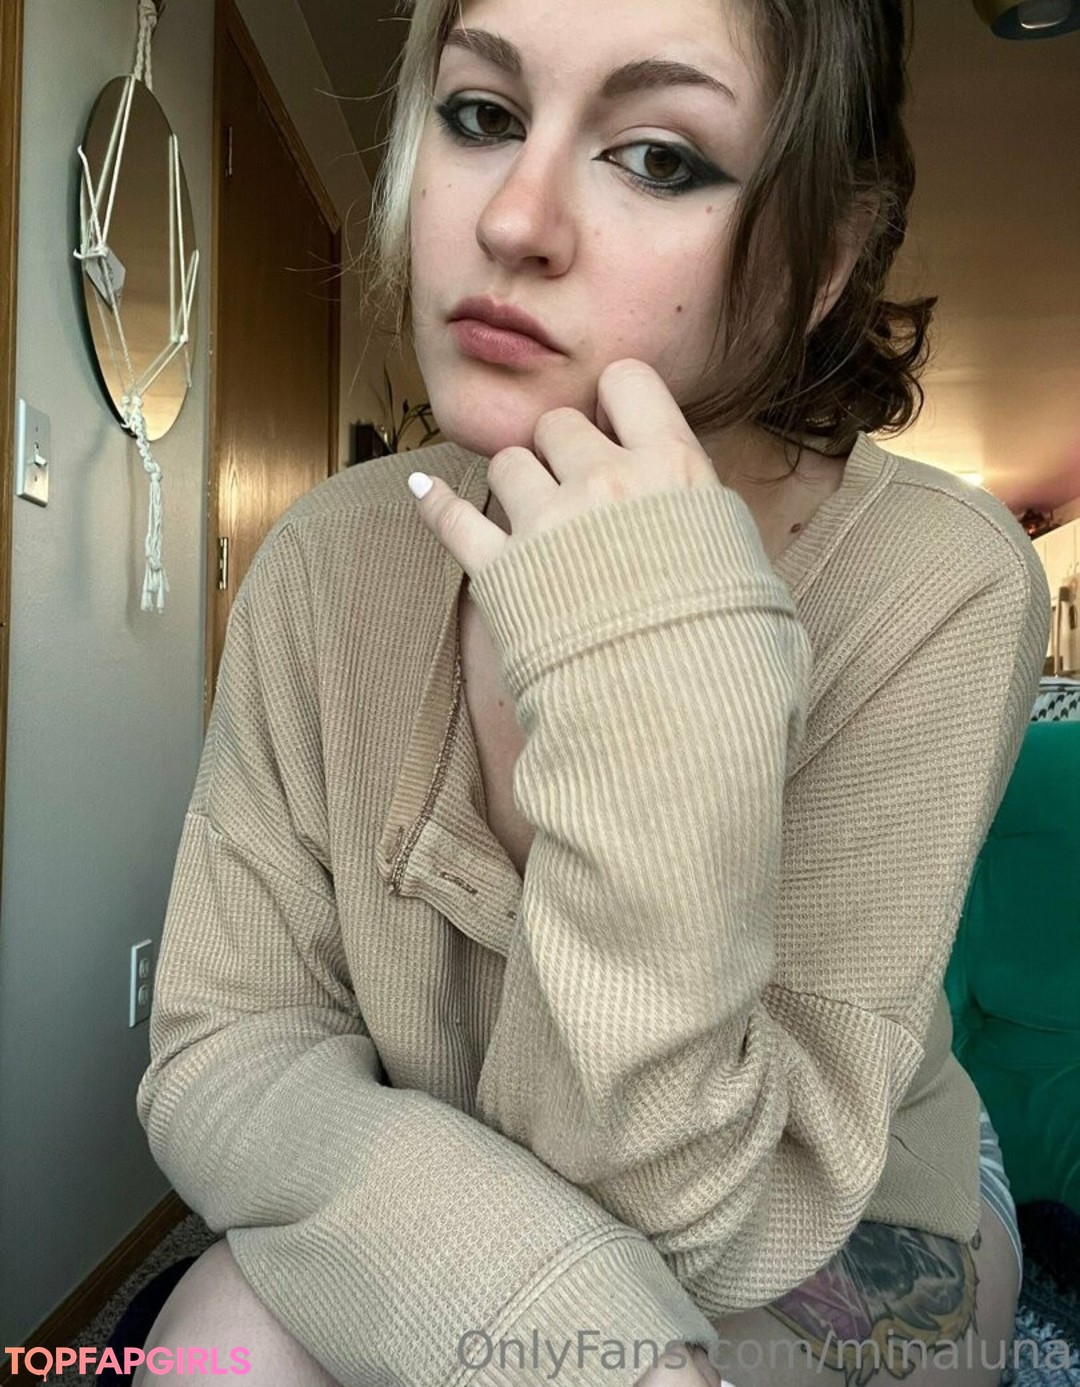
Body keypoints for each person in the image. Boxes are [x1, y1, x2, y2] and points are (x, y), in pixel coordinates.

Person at [133, 0, 1051, 1384]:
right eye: (482, 115)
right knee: (224, 1340)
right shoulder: (325, 560)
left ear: (822, 258)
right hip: (474, 1176)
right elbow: (224, 1051)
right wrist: (545, 1319)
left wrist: (654, 703)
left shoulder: (943, 581)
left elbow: (718, 1214)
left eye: (660, 157)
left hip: (837, 1211)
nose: (514, 219)